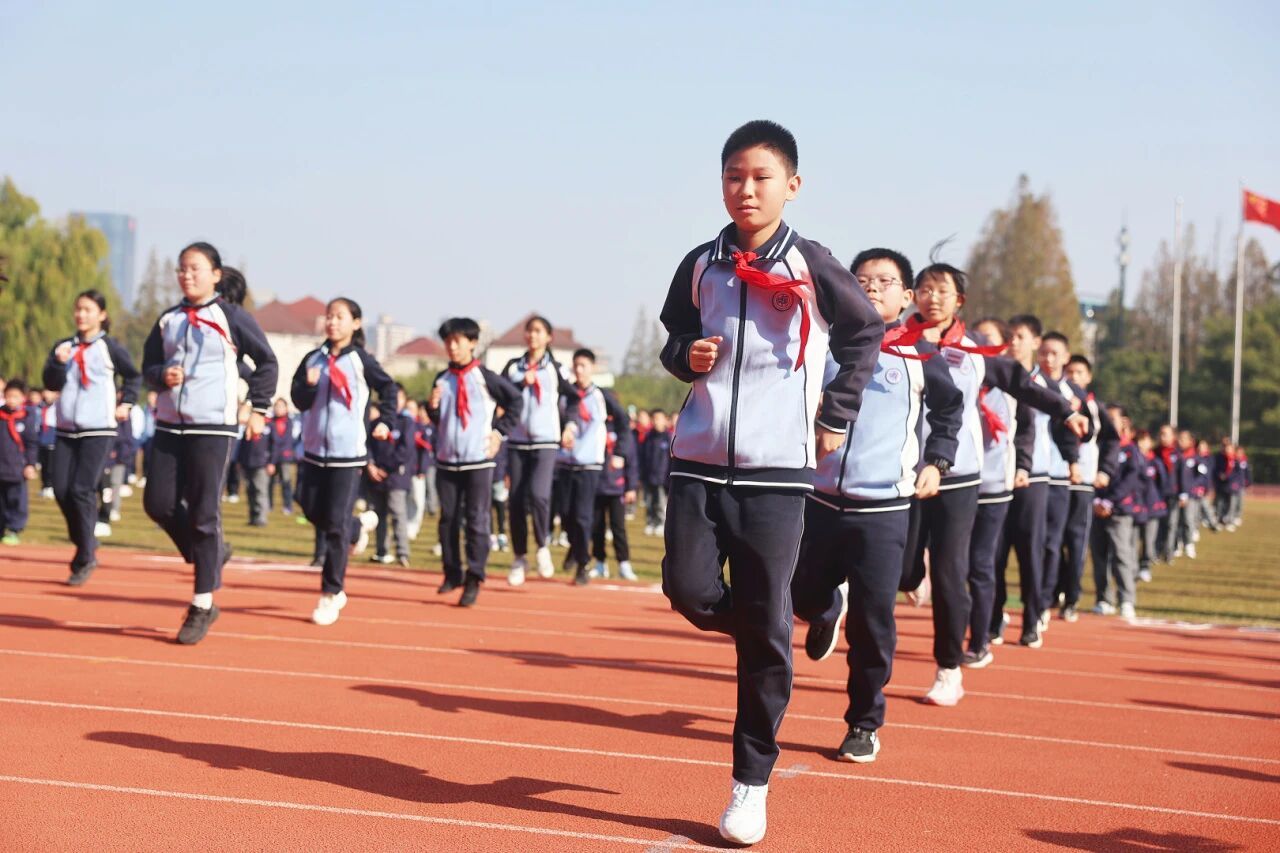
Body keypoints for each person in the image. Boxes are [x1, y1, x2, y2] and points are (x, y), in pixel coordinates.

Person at [658, 120, 882, 846]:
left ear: (792, 185)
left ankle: (750, 782)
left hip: (777, 471)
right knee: (688, 591)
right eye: (734, 176)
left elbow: (865, 334)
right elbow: (674, 336)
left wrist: (836, 413)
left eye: (760, 177)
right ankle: (774, 624)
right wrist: (685, 356)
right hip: (697, 459)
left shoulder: (812, 264)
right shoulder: (701, 262)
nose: (745, 189)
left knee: (760, 634)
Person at [792, 247, 961, 762]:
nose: (871, 288)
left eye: (884, 282)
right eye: (861, 279)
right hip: (819, 499)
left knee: (873, 623)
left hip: (884, 509)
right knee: (799, 595)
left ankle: (863, 722)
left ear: (906, 296)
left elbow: (949, 411)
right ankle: (827, 610)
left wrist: (938, 461)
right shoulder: (824, 342)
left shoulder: (920, 354)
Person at [141, 243, 278, 644]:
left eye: (195, 268)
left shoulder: (231, 317)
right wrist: (162, 375)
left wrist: (258, 408)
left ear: (216, 275)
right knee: (158, 503)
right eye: (181, 269)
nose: (187, 275)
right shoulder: (168, 319)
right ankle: (211, 553)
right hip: (169, 424)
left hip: (213, 426)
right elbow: (147, 365)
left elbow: (266, 362)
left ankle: (202, 604)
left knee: (204, 513)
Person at [292, 297, 398, 624]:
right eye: (329, 316)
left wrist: (385, 421)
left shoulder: (361, 360)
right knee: (310, 508)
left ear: (355, 323)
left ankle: (331, 592)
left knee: (335, 527)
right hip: (313, 452)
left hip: (348, 454)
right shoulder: (313, 359)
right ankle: (357, 526)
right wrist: (309, 386)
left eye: (339, 317)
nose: (332, 322)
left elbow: (389, 389)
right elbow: (298, 399)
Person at [988, 314, 1087, 649]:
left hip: (1036, 477)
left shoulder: (1049, 386)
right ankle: (994, 618)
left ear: (1035, 342)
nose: (1013, 343)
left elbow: (1067, 427)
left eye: (1020, 337)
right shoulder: (995, 374)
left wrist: (1072, 461)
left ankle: (1032, 619)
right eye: (1009, 337)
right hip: (998, 474)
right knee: (994, 552)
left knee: (1031, 551)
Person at [43, 289, 141, 585]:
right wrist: (57, 363)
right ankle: (86, 541)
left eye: (87, 310)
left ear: (102, 315)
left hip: (99, 428)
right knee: (61, 490)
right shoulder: (64, 347)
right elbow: (50, 383)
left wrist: (127, 403)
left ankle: (85, 555)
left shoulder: (110, 347)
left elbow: (132, 376)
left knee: (82, 489)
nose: (81, 315)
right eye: (78, 309)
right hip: (65, 428)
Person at [427, 317, 522, 607]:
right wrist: (431, 407)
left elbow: (516, 402)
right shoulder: (441, 379)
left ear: (472, 343)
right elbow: (440, 418)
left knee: (476, 520)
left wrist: (498, 433)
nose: (452, 347)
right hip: (447, 460)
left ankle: (474, 577)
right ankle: (452, 572)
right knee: (447, 520)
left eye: (458, 341)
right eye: (448, 341)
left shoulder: (486, 377)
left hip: (478, 460)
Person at [500, 315, 574, 585]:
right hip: (517, 440)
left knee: (539, 495)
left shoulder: (556, 368)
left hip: (546, 441)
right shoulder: (513, 367)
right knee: (516, 500)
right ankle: (520, 557)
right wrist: (521, 383)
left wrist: (570, 426)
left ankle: (542, 546)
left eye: (539, 331)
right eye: (530, 331)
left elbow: (573, 398)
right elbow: (500, 394)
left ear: (548, 337)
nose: (533, 335)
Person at [560, 348, 631, 585]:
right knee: (566, 514)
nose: (579, 370)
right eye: (576, 366)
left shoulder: (602, 396)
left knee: (582, 515)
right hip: (565, 462)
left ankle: (583, 563)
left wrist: (619, 452)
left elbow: (623, 422)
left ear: (592, 368)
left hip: (591, 463)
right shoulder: (565, 395)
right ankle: (576, 546)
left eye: (583, 366)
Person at [1058, 354, 1119, 621]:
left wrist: (1105, 470)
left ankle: (1071, 597)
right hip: (1054, 479)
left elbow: (1113, 439)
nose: (1073, 377)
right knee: (1050, 541)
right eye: (1069, 372)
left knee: (1076, 541)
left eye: (1079, 372)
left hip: (1082, 483)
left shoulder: (1094, 407)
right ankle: (1053, 590)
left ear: (1089, 377)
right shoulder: (1052, 397)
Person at [365, 389, 416, 568]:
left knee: (397, 513)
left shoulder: (406, 423)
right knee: (378, 514)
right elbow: (367, 446)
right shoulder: (375, 423)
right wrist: (371, 465)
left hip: (396, 476)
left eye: (398, 398)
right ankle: (382, 551)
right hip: (376, 477)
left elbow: (406, 449)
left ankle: (402, 552)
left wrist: (386, 468)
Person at [589, 421, 639, 581]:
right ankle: (599, 562)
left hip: (617, 488)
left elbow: (632, 461)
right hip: (597, 486)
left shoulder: (623, 433)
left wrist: (631, 487)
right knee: (597, 527)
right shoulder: (595, 427)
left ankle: (624, 563)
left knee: (618, 527)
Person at [0, 379, 40, 545]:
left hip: (17, 468)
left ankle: (14, 529)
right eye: (9, 396)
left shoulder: (27, 417)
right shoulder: (1, 415)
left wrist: (30, 464)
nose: (12, 400)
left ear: (23, 398)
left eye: (16, 397)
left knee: (16, 500)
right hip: (1, 466)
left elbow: (31, 444)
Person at [236, 401, 272, 527]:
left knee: (260, 490)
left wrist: (271, 462)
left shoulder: (269, 425)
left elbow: (274, 446)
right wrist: (239, 460)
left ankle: (261, 517)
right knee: (250, 491)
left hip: (262, 463)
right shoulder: (248, 425)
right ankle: (253, 516)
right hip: (247, 462)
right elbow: (243, 444)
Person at [640, 409, 672, 535]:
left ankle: (660, 522)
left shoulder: (669, 438)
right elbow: (642, 456)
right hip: (648, 476)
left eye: (658, 418)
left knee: (660, 502)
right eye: (653, 418)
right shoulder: (648, 437)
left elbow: (671, 460)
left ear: (665, 420)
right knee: (648, 502)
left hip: (662, 477)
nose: (656, 421)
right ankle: (650, 522)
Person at [266, 399, 300, 515]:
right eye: (277, 406)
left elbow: (283, 441)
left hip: (284, 457)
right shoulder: (270, 422)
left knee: (286, 482)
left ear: (286, 408)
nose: (278, 409)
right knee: (269, 483)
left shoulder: (289, 422)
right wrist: (271, 460)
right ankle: (269, 505)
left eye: (281, 406)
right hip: (272, 457)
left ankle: (287, 506)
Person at [37, 387, 58, 498]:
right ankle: (44, 485)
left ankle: (50, 486)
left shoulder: (58, 406)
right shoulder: (40, 406)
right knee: (44, 465)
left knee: (51, 465)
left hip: (52, 438)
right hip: (42, 438)